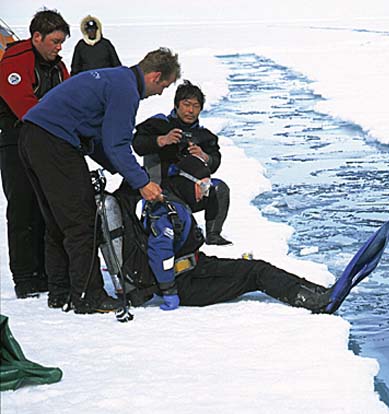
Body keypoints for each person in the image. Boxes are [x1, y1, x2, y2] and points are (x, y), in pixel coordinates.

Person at [18, 48, 179, 314]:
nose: (160, 93)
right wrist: (142, 182)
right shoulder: (126, 90)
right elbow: (118, 143)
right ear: (154, 75)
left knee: (59, 220)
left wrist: (124, 172)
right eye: (163, 85)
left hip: (32, 136)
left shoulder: (114, 78)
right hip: (55, 142)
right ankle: (88, 296)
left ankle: (61, 290)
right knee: (83, 220)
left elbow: (99, 141)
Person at [145, 154, 332, 312]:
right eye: (202, 186)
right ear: (186, 182)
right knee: (255, 274)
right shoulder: (166, 211)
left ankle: (314, 291)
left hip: (195, 267)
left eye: (208, 187)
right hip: (184, 285)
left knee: (257, 267)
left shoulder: (176, 202)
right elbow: (159, 253)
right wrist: (169, 291)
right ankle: (310, 300)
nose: (205, 193)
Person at [0, 9, 70, 299]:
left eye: (62, 41)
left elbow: (69, 98)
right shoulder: (14, 62)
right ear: (36, 37)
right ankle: (25, 276)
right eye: (55, 41)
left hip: (47, 141)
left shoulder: (58, 66)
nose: (59, 47)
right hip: (16, 140)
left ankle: (45, 271)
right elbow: (26, 108)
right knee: (22, 207)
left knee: (45, 207)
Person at [132, 80, 232, 245]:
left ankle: (214, 235)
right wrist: (162, 140)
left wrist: (205, 157)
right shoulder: (159, 124)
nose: (191, 110)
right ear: (177, 105)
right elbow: (138, 144)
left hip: (192, 188)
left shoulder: (204, 135)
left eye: (196, 106)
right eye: (186, 105)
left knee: (219, 189)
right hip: (159, 187)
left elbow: (215, 161)